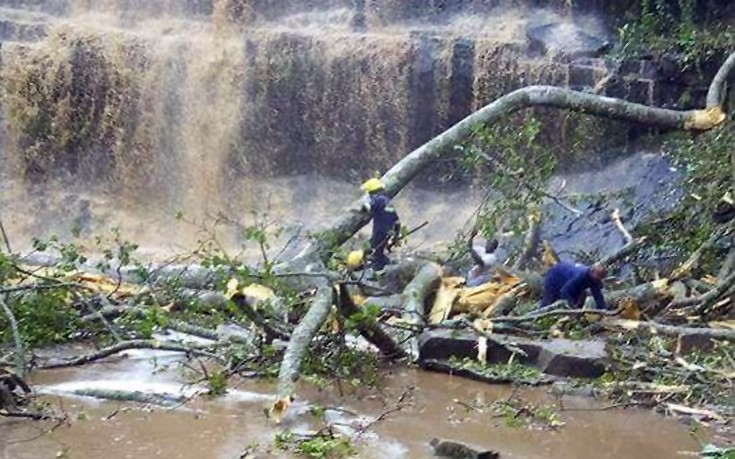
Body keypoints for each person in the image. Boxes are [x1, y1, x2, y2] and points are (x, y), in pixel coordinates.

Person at [361, 178, 401, 271]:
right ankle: (386, 265)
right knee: (376, 249)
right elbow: (397, 220)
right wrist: (396, 235)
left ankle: (382, 268)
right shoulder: (387, 201)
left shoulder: (377, 200)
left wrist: (365, 202)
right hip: (388, 231)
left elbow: (366, 208)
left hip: (380, 231)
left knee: (376, 252)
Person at [541, 261, 607, 310]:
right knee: (549, 300)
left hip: (570, 279)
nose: (599, 280)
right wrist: (572, 308)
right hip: (555, 276)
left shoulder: (594, 279)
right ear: (592, 271)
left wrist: (603, 310)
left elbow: (598, 295)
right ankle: (539, 314)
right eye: (598, 277)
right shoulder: (580, 276)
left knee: (577, 298)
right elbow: (564, 291)